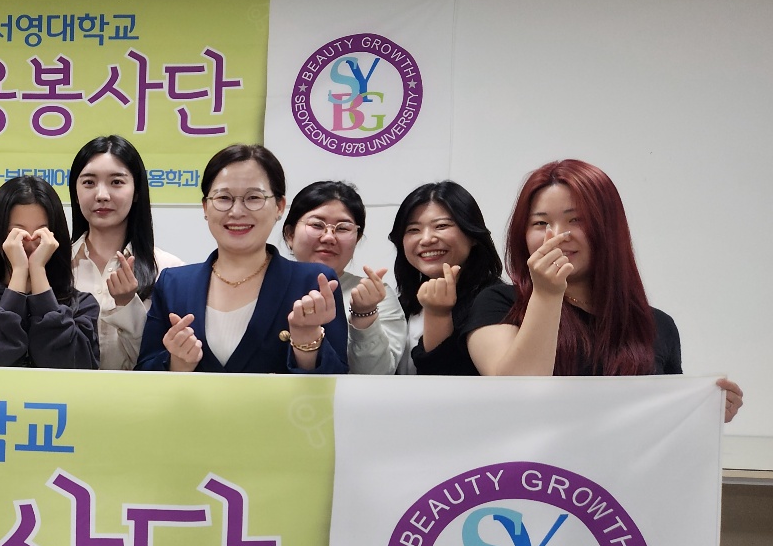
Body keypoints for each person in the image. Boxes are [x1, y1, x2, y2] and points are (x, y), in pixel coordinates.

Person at [466, 159, 743, 420]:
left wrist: (707, 411)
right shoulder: (498, 304)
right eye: (541, 223)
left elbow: (665, 422)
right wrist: (547, 294)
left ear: (608, 228)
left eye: (576, 220)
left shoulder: (657, 325)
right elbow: (515, 400)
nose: (558, 235)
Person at [138, 145, 347, 374]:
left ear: (279, 207)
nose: (237, 211)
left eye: (253, 197)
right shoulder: (173, 284)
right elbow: (144, 374)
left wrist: (307, 341)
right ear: (206, 207)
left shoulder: (314, 283)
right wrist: (177, 363)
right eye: (223, 198)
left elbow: (336, 382)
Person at [0, 176, 99, 369]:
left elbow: (69, 366)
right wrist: (19, 273)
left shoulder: (82, 305)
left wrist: (38, 271)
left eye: (41, 233)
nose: (30, 243)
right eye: (17, 233)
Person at [67, 136, 185, 370]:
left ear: (137, 191)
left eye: (116, 182)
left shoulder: (169, 271)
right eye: (89, 182)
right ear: (75, 192)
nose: (102, 195)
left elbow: (164, 361)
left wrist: (127, 305)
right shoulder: (53, 265)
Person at [282, 180, 406, 374]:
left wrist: (364, 314)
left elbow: (376, 375)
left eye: (342, 228)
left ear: (357, 238)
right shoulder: (265, 284)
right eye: (317, 225)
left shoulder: (375, 296)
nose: (329, 237)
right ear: (290, 234)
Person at [388, 181, 503, 376]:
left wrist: (439, 316)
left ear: (472, 234)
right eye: (413, 230)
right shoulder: (401, 305)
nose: (426, 239)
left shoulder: (494, 302)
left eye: (441, 226)